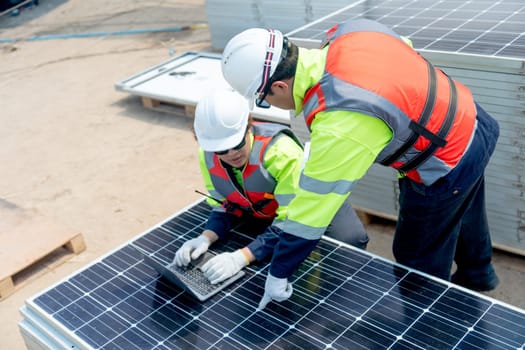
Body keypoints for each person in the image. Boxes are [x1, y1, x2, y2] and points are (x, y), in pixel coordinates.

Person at [220, 18, 500, 309]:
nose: (269, 106)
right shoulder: (351, 32)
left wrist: (279, 272)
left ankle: (430, 329)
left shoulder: (340, 117)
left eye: (264, 100)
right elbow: (406, 53)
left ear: (278, 85)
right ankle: (478, 275)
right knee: (465, 209)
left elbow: (311, 212)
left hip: (445, 162)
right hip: (472, 119)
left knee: (415, 260)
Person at [173, 88, 368, 285]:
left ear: (248, 126)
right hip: (270, 212)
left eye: (237, 142)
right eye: (222, 149)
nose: (231, 153)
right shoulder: (207, 156)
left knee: (346, 250)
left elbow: (293, 221)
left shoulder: (281, 153)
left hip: (313, 207)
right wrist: (206, 237)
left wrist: (242, 257)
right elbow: (224, 204)